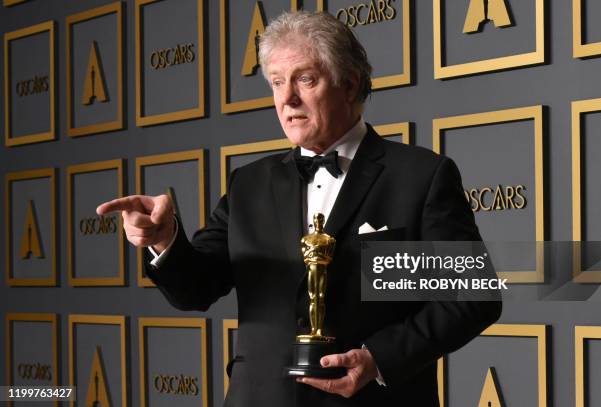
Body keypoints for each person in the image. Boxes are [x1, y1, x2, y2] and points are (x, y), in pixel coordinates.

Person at [97, 11, 501, 407]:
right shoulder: (249, 184)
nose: (286, 98)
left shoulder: (420, 177)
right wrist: (164, 239)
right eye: (276, 82)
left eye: (305, 79)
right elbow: (196, 288)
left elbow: (472, 298)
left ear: (349, 84)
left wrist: (379, 357)